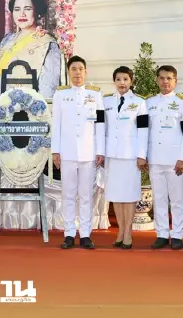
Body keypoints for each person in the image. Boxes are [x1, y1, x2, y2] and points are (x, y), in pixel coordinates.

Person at [51, 55, 105, 250]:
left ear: (86, 71)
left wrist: (101, 150)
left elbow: (100, 124)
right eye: (73, 69)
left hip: (89, 153)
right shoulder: (60, 95)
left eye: (80, 69)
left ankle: (85, 234)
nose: (77, 73)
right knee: (68, 194)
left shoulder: (96, 95)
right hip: (67, 152)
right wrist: (55, 151)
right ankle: (68, 233)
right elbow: (56, 124)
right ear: (68, 72)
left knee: (86, 195)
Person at [145, 65, 183, 250]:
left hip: (175, 160)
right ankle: (162, 233)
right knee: (159, 198)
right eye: (162, 78)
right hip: (155, 158)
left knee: (176, 199)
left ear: (175, 81)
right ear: (157, 80)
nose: (165, 81)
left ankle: (177, 234)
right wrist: (144, 156)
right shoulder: (149, 103)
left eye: (169, 78)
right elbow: (145, 132)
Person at [103, 66, 148, 249]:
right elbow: (102, 129)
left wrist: (141, 155)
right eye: (119, 79)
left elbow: (143, 131)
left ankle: (128, 233)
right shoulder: (105, 101)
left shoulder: (139, 103)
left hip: (131, 156)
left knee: (129, 196)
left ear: (131, 81)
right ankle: (120, 232)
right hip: (112, 155)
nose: (122, 83)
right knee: (116, 195)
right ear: (114, 82)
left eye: (125, 79)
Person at [0, 0, 63, 99]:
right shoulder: (7, 41)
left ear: (37, 12)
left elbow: (49, 87)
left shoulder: (47, 42)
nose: (21, 14)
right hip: (4, 105)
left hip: (33, 108)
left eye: (27, 8)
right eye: (17, 9)